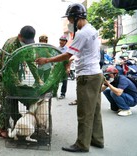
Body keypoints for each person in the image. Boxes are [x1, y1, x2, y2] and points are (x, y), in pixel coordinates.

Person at [35, 3, 104, 152]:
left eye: (71, 20)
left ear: (77, 17)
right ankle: (97, 139)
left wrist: (46, 60)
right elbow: (83, 52)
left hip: (87, 76)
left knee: (85, 112)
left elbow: (67, 55)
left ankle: (82, 144)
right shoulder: (92, 29)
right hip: (96, 74)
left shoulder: (82, 33)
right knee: (95, 110)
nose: (70, 23)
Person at [0, 25, 37, 138]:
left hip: (15, 75)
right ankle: (1, 128)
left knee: (12, 102)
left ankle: (15, 123)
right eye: (25, 41)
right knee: (6, 102)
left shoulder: (27, 45)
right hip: (3, 76)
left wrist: (39, 79)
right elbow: (7, 67)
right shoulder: (11, 45)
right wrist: (17, 83)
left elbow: (31, 62)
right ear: (19, 36)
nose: (27, 44)